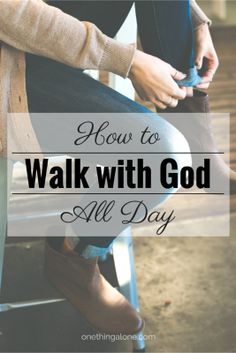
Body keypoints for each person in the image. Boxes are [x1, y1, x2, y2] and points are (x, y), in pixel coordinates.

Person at [0, 0, 230, 335]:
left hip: (42, 36)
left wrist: (194, 22)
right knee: (162, 157)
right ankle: (74, 257)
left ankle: (193, 123)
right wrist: (127, 61)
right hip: (9, 67)